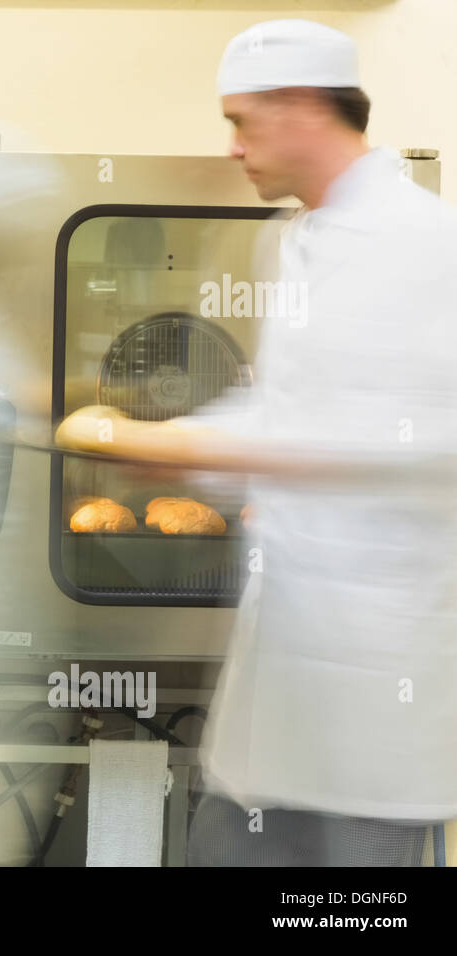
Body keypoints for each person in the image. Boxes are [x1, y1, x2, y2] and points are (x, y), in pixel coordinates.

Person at [61, 19, 457, 865]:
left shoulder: (421, 243)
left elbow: (378, 439)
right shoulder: (299, 242)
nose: (234, 147)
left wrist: (165, 443)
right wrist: (167, 437)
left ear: (303, 107)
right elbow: (282, 411)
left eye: (243, 120)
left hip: (374, 686)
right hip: (285, 674)